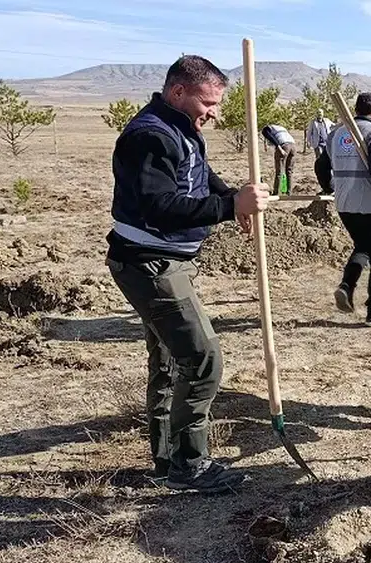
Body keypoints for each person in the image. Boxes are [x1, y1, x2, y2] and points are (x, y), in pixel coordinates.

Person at [106, 55, 269, 493]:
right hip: (150, 265)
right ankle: (189, 465)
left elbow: (199, 177)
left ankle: (166, 460)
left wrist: (230, 195)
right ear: (178, 92)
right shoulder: (150, 137)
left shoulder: (183, 130)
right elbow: (159, 206)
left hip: (163, 262)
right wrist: (228, 207)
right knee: (201, 361)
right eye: (208, 102)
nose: (214, 112)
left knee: (169, 360)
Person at [315, 92, 371, 326]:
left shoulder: (336, 133)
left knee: (362, 246)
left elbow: (321, 165)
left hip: (345, 204)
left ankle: (347, 285)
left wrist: (330, 188)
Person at [262, 123, 297, 193]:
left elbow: (270, 137)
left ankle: (276, 192)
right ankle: (289, 192)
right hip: (293, 146)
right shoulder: (281, 128)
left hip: (284, 146)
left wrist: (279, 149)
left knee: (279, 171)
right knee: (289, 171)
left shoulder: (266, 129)